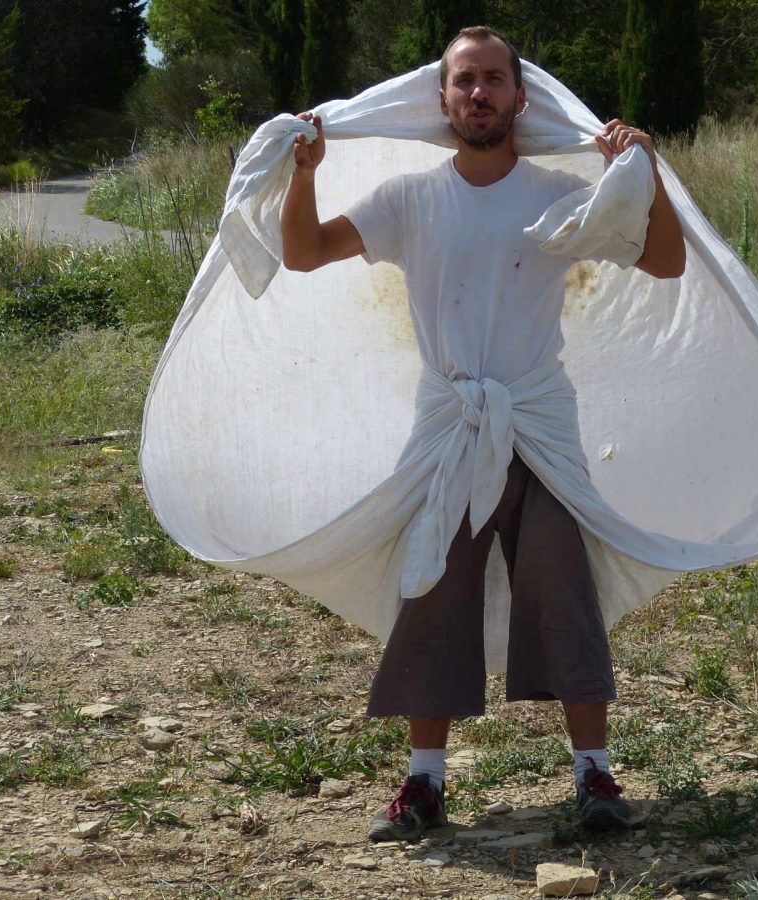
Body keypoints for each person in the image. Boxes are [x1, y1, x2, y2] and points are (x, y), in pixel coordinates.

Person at [279, 25, 686, 842]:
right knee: (432, 589)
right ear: (442, 98)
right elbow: (303, 252)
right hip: (451, 426)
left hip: (537, 421)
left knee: (561, 584)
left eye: (493, 80)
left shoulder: (557, 193)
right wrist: (304, 176)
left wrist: (641, 178)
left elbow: (667, 262)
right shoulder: (409, 198)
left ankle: (594, 774)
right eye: (465, 80)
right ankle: (423, 784)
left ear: (519, 96)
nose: (479, 94)